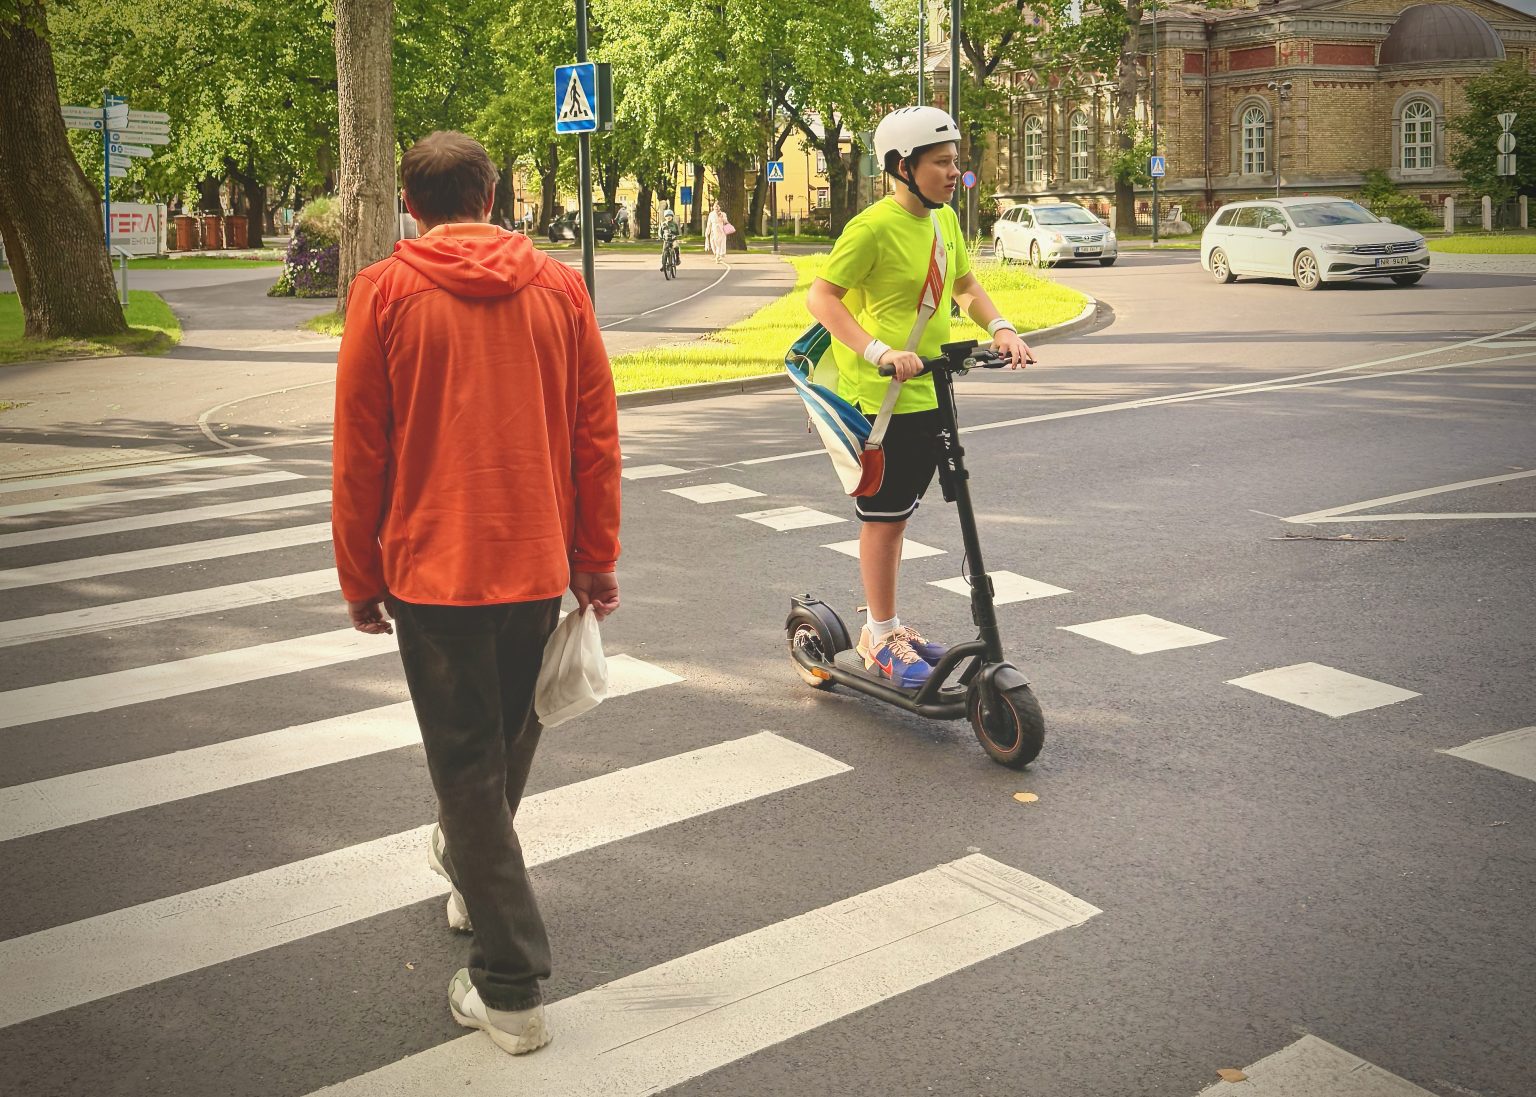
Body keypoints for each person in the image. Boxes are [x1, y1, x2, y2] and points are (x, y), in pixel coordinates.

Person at [331, 130, 621, 1057]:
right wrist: (597, 556)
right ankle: (468, 864)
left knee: (466, 767)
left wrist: (359, 574)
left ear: (410, 205)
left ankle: (510, 985)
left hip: (432, 570)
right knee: (501, 747)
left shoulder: (384, 293)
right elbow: (596, 435)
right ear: (491, 197)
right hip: (534, 563)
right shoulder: (560, 286)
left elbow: (359, 450)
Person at [805, 106, 1034, 689]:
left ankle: (886, 625)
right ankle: (879, 638)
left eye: (956, 161)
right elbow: (823, 300)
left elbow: (964, 285)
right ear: (903, 167)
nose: (954, 171)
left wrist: (1000, 327)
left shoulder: (943, 223)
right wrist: (878, 350)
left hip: (930, 394)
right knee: (883, 520)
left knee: (901, 515)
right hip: (880, 405)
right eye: (942, 162)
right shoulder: (871, 228)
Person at [704, 199, 728, 264]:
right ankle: (717, 255)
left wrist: (722, 217)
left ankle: (718, 256)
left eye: (718, 206)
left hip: (721, 231)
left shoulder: (723, 214)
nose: (716, 207)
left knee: (720, 245)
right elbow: (709, 224)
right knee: (714, 245)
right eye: (715, 206)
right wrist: (707, 232)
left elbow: (726, 222)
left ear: (720, 207)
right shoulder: (711, 214)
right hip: (714, 231)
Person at [657, 207, 681, 271]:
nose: (668, 217)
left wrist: (677, 235)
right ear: (665, 217)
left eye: (670, 216)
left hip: (673, 239)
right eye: (667, 216)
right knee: (664, 252)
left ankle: (677, 259)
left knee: (676, 247)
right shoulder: (663, 224)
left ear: (672, 216)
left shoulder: (674, 224)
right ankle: (663, 265)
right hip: (666, 239)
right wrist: (661, 237)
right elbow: (660, 232)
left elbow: (678, 231)